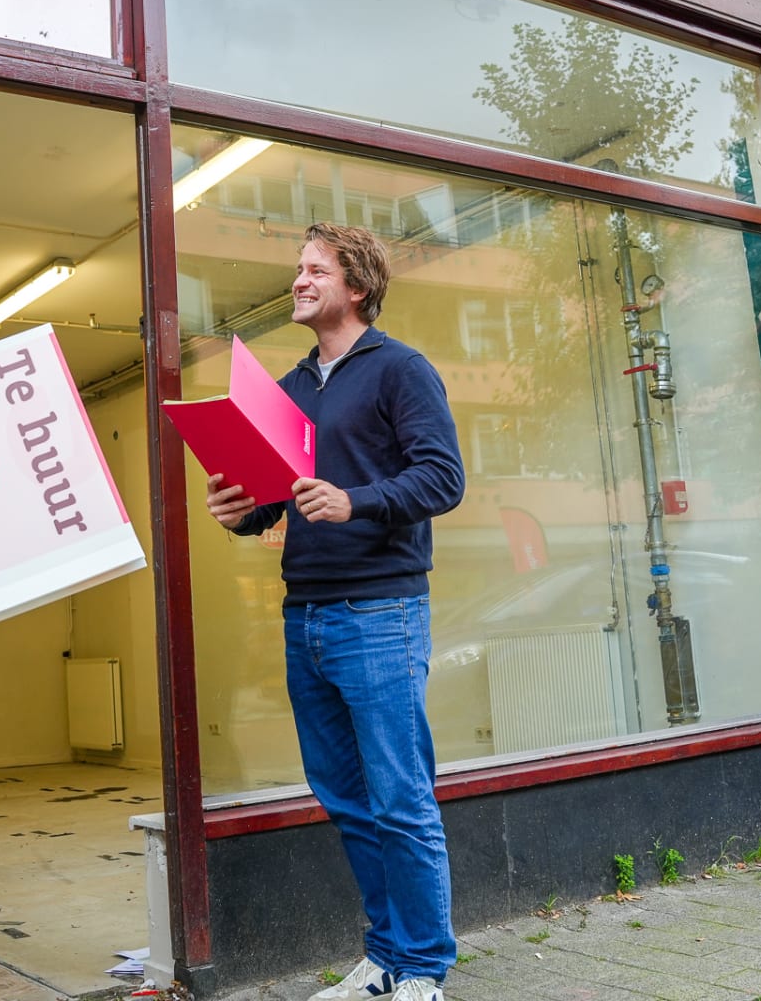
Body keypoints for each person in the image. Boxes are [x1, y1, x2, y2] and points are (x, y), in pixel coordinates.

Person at [205, 223, 466, 1001]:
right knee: (348, 799)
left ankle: (424, 969)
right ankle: (387, 956)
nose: (299, 279)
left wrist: (356, 501)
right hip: (306, 618)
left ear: (358, 287)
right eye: (297, 269)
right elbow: (273, 503)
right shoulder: (287, 389)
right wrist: (239, 510)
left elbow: (442, 479)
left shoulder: (400, 371)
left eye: (316, 269)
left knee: (399, 796)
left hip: (381, 613)